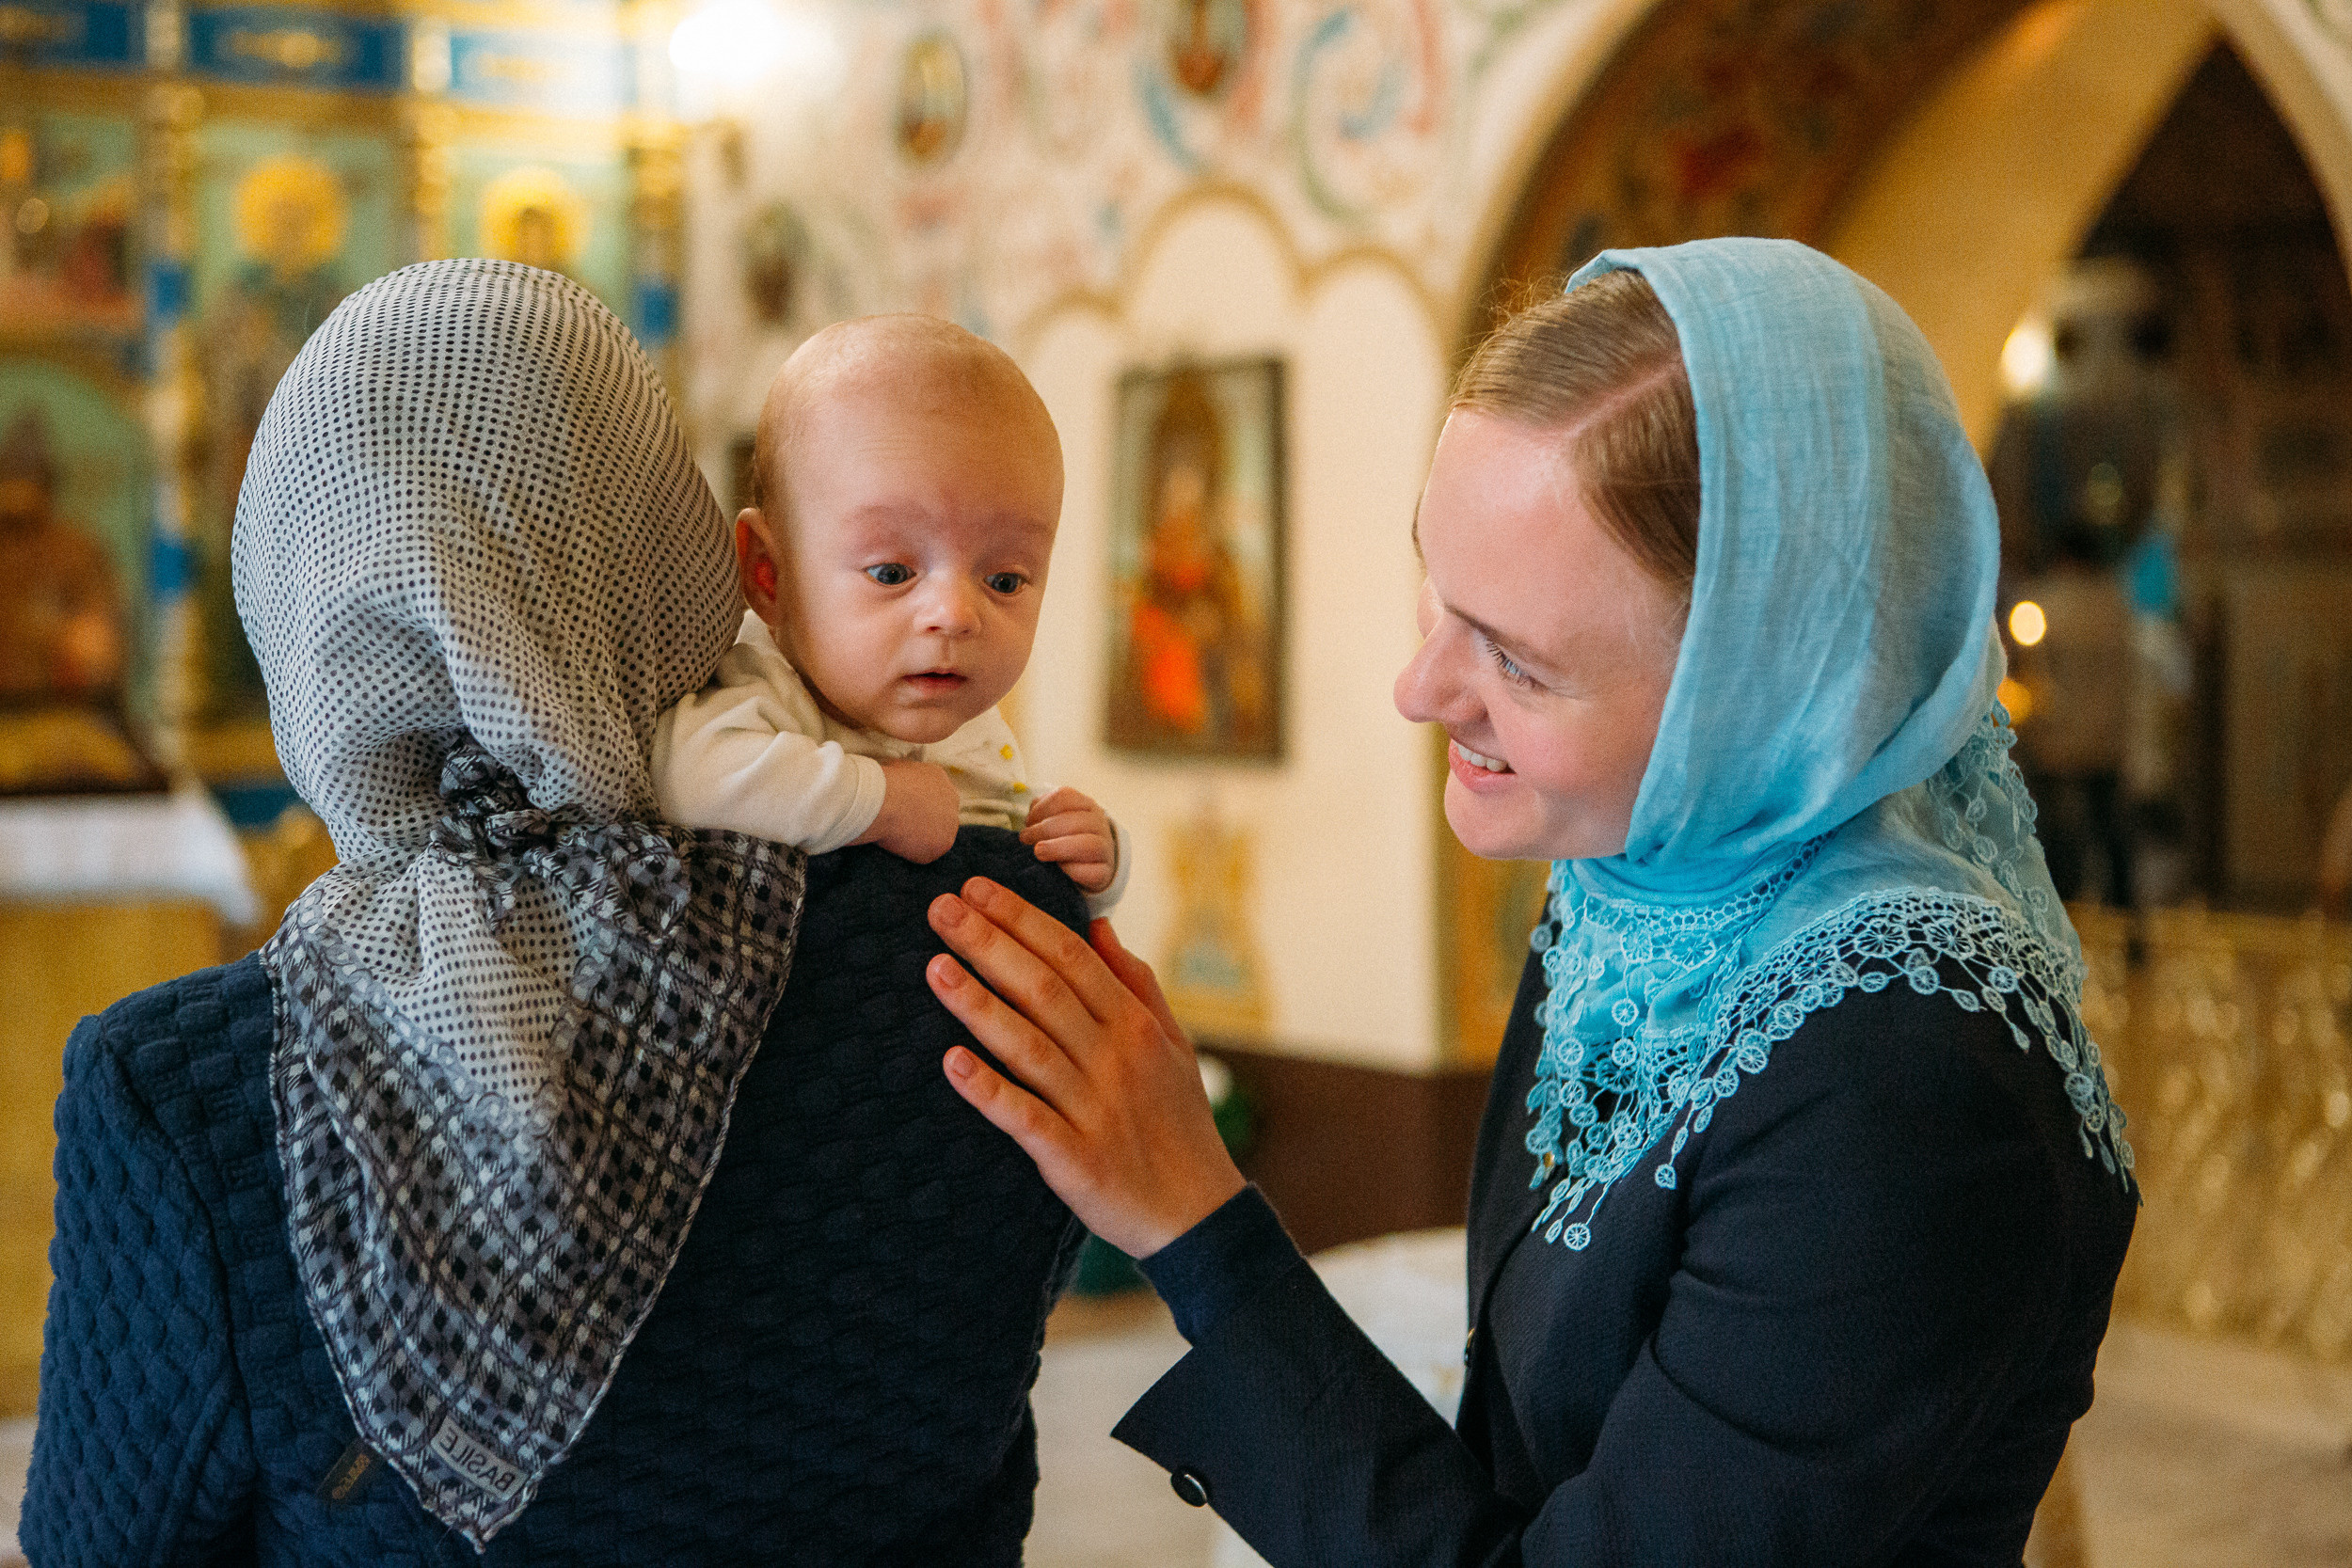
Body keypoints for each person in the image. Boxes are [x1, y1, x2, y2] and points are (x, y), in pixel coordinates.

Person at [915, 238, 2141, 1565]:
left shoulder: (1907, 1084)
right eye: (1440, 596)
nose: (1422, 687)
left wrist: (1197, 1225)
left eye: (1520, 660)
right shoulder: (1638, 898)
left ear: (1765, 680)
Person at [19, 260, 1089, 1564]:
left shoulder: (180, 1095)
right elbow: (984, 1446)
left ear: (297, 597)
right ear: (676, 550)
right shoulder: (1017, 939)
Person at [654, 314, 1128, 913]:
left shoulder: (967, 723)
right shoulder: (768, 685)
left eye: (1004, 580)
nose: (954, 615)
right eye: (892, 573)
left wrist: (1094, 857)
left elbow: (1008, 838)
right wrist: (877, 799)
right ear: (772, 578)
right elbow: (689, 781)